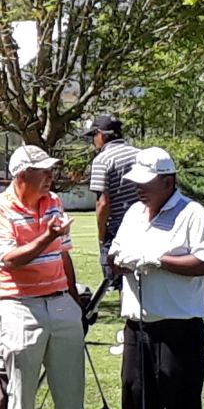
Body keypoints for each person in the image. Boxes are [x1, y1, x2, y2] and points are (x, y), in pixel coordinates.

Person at [108, 147, 204, 409]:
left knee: (181, 397)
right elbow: (116, 255)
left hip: (178, 323)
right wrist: (120, 260)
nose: (139, 188)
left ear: (168, 181)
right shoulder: (133, 213)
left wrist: (159, 260)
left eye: (147, 182)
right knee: (136, 397)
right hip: (137, 323)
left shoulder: (192, 213)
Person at [0, 145, 91, 409]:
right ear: (21, 175)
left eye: (50, 170)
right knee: (21, 389)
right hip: (20, 305)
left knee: (70, 388)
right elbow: (9, 259)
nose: (50, 176)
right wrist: (47, 237)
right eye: (42, 171)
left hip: (60, 302)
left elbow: (64, 254)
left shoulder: (54, 201)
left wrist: (74, 301)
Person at [84, 115, 139, 287]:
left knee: (116, 279)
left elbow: (103, 203)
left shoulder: (102, 160)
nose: (93, 140)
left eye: (93, 135)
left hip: (116, 229)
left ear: (102, 135)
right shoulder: (139, 154)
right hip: (142, 225)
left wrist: (101, 235)